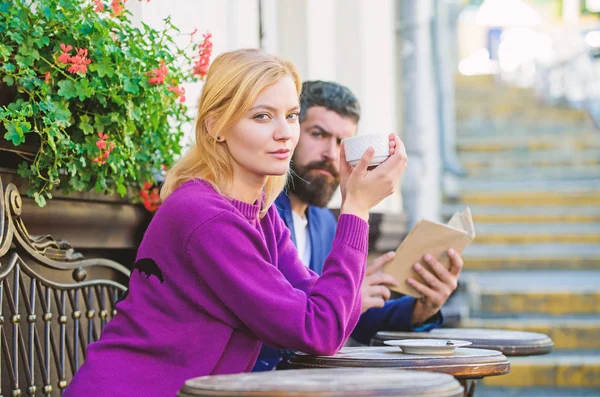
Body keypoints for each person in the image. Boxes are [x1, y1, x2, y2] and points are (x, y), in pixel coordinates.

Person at [63, 50, 408, 397]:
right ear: (216, 126)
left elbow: (318, 306)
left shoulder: (260, 212)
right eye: (262, 116)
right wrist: (357, 209)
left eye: (291, 115)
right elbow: (319, 330)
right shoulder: (205, 216)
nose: (285, 133)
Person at [253, 80, 463, 371]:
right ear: (292, 132)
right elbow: (288, 316)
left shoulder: (326, 223)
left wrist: (421, 309)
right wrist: (350, 299)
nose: (330, 154)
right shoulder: (260, 210)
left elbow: (351, 320)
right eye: (318, 134)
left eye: (342, 143)